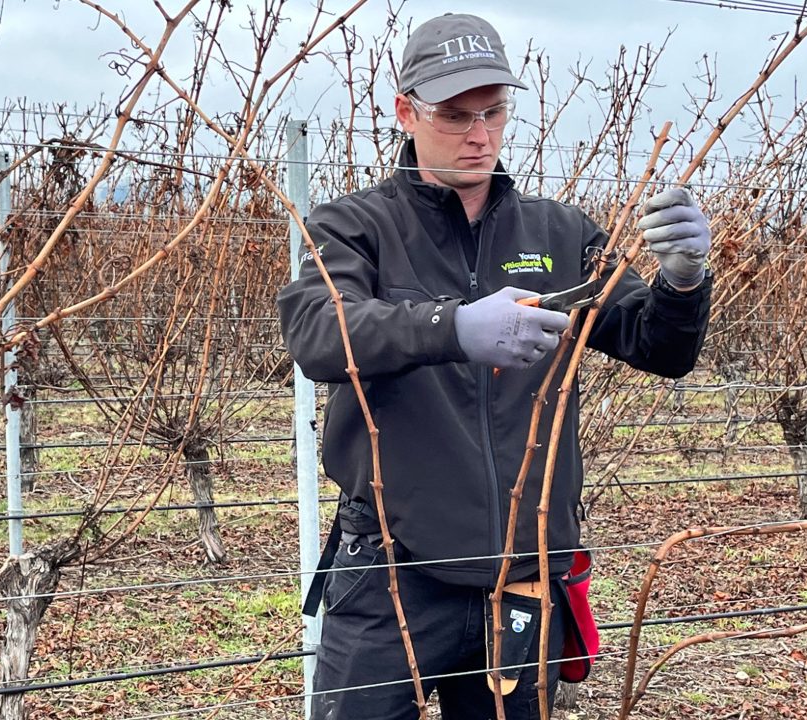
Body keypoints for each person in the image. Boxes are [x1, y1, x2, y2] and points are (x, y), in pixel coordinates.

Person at [277, 12, 712, 719]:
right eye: (455, 116)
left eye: (494, 112)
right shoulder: (356, 226)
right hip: (391, 572)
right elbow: (317, 332)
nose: (479, 135)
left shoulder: (558, 232)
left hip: (524, 574)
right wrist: (451, 327)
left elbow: (660, 348)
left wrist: (683, 282)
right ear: (406, 112)